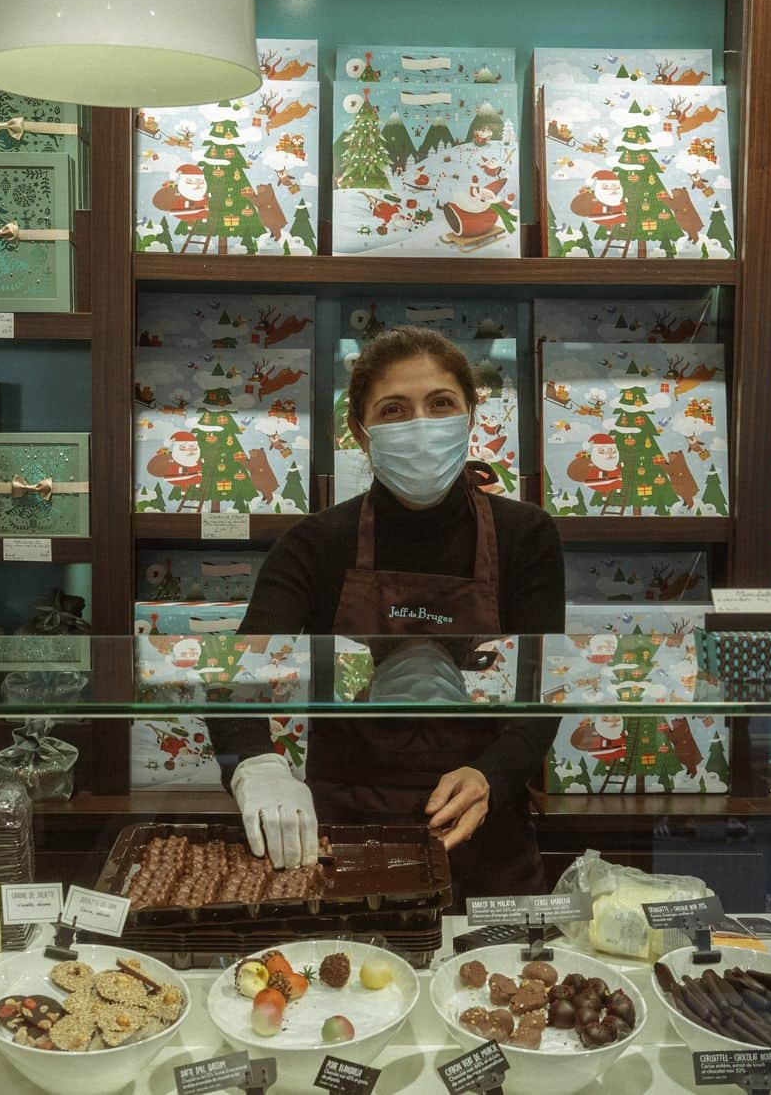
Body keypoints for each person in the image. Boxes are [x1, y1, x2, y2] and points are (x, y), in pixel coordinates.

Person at [212, 326, 565, 902]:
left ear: (471, 415)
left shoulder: (527, 536)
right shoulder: (314, 543)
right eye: (394, 410)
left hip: (484, 828)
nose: (420, 425)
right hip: (344, 828)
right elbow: (233, 677)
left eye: (441, 404)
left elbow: (549, 687)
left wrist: (491, 776)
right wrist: (257, 765)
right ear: (360, 430)